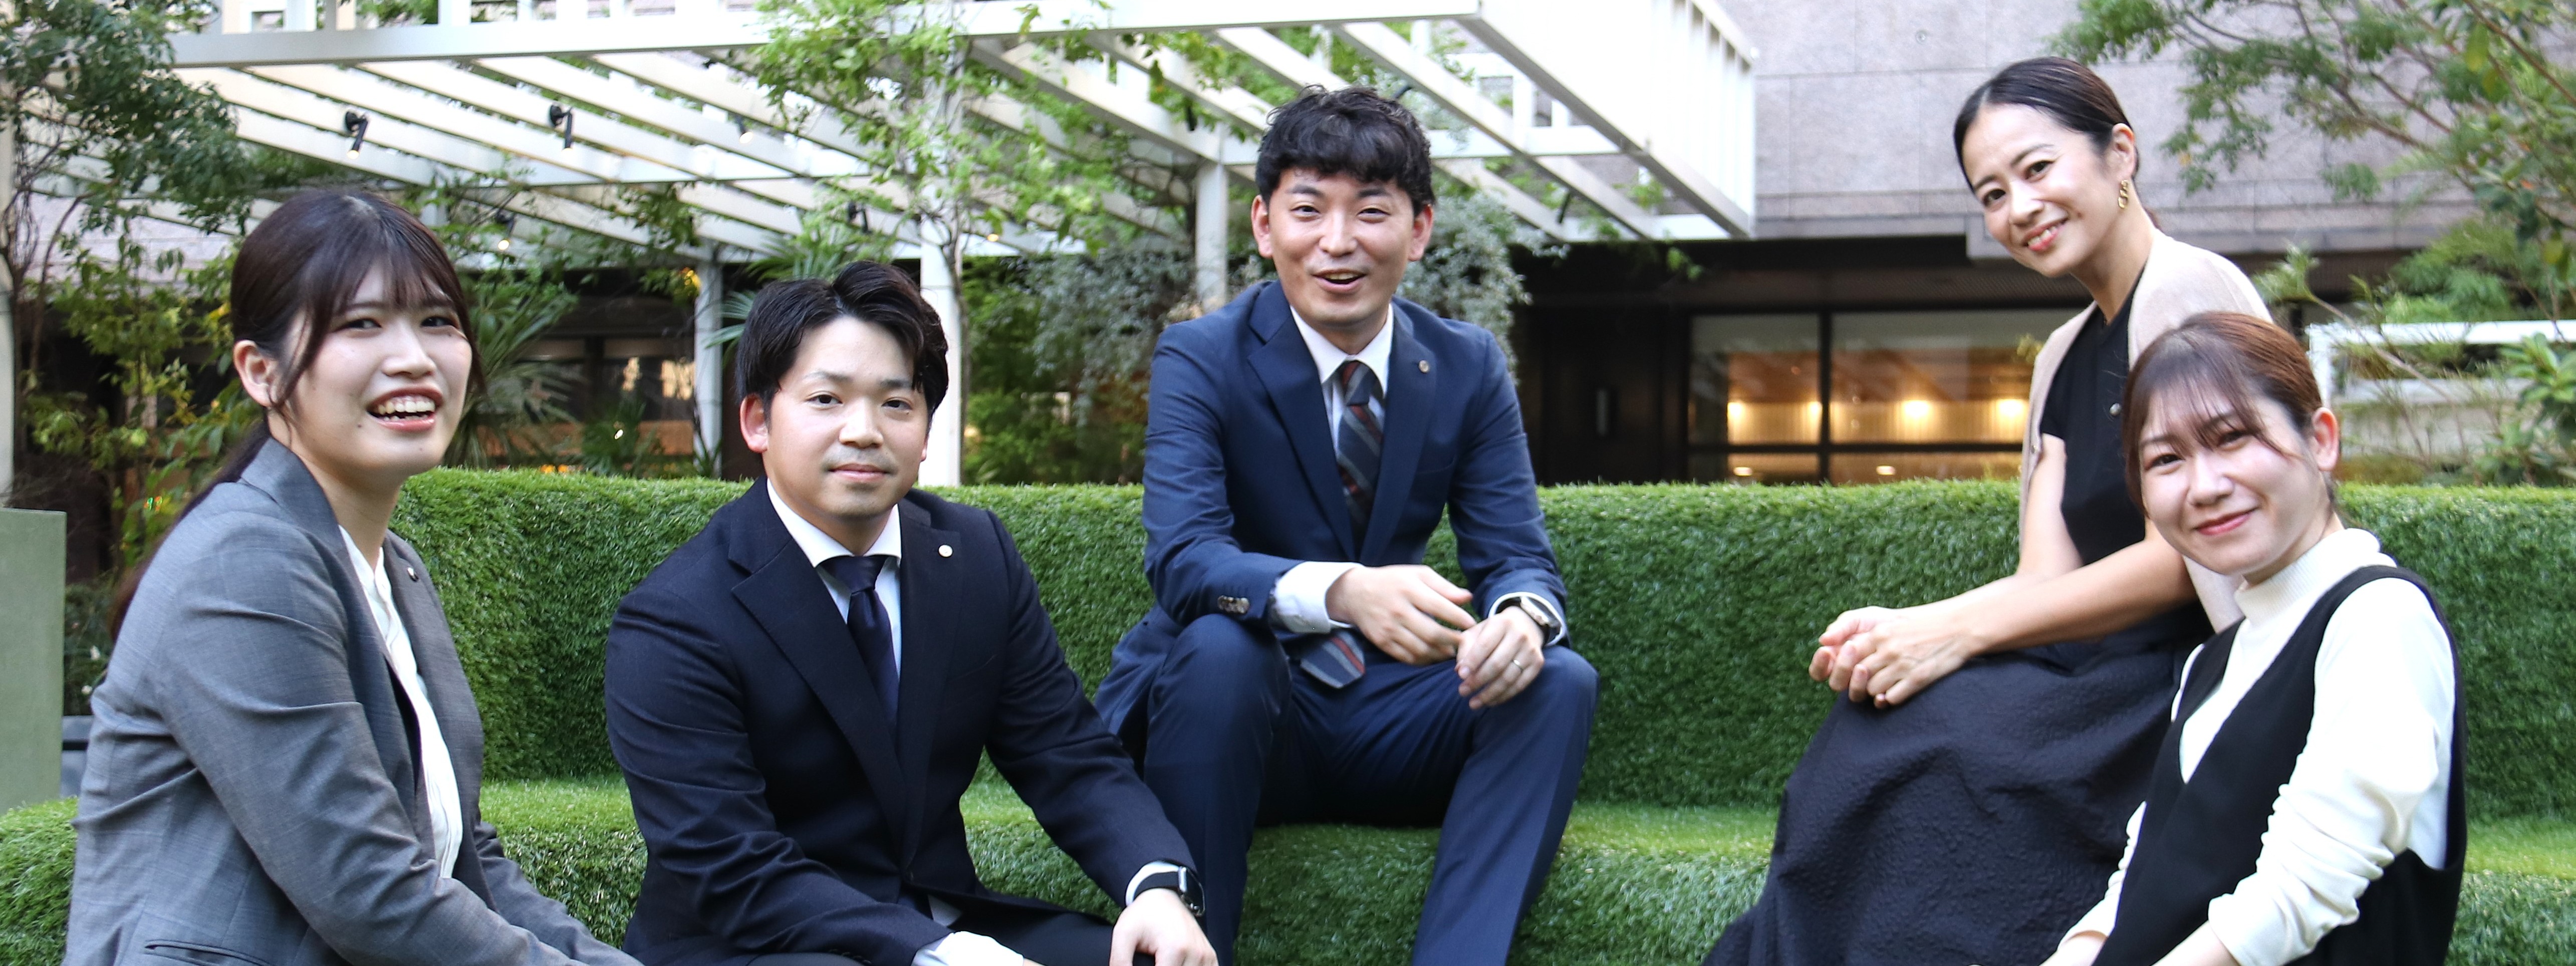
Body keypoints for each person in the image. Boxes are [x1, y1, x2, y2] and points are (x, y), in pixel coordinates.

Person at [1708, 58, 2275, 965]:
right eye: (1992, 194)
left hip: (2184, 679)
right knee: (1873, 732)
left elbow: (2189, 553)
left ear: (2119, 153)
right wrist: (1913, 629)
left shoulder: (2186, 290)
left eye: (2037, 169)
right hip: (2090, 666)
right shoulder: (2060, 354)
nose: (2019, 208)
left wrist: (1951, 632)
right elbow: (2043, 577)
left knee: (1949, 750)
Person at [1090, 85, 1599, 966]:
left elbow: (1518, 555)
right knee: (1220, 648)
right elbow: (1184, 560)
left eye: (1370, 211)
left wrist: (1520, 619)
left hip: (1388, 718)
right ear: (1263, 225)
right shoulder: (1200, 357)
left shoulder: (1468, 365)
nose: (1336, 241)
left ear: (1418, 229)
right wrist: (1344, 592)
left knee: (1557, 680)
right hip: (1231, 721)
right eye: (1307, 210)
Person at [68, 189, 640, 966]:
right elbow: (368, 891)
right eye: (361, 324)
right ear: (261, 371)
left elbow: (463, 859)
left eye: (437, 321)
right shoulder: (246, 563)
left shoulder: (392, 566)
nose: (413, 358)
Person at [603, 262, 1215, 966]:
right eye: (826, 399)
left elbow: (1066, 754)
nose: (864, 431)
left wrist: (1155, 884)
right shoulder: (676, 617)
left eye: (896, 403)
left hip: (945, 920)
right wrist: (938, 953)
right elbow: (731, 865)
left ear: (924, 432)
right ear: (757, 421)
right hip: (758, 943)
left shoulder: (975, 555)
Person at [2044, 311, 2462, 966]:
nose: (2205, 487)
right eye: (2165, 460)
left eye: (2232, 438)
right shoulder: (2212, 661)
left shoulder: (2379, 618)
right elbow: (2142, 880)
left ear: (2321, 440)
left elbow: (2298, 892)